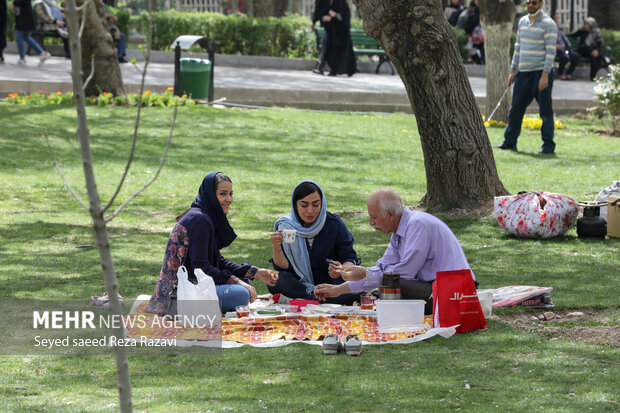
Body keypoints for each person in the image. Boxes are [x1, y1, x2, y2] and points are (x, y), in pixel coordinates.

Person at [314, 189, 476, 315]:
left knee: (391, 284)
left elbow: (403, 274)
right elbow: (383, 269)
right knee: (386, 283)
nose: (371, 223)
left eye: (374, 217)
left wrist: (365, 273)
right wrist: (337, 290)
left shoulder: (418, 225)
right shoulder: (399, 232)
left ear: (391, 214)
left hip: (455, 291)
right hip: (435, 288)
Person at [147, 172, 277, 315]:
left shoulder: (202, 216)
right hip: (180, 295)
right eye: (223, 194)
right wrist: (237, 282)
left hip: (193, 285)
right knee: (241, 294)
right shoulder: (199, 220)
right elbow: (201, 269)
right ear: (210, 194)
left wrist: (255, 272)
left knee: (244, 282)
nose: (229, 199)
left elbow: (218, 260)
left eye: (230, 194)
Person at [268, 180, 360, 305]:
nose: (310, 211)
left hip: (331, 284)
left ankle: (306, 300)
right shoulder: (286, 226)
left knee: (356, 286)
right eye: (304, 205)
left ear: (322, 204)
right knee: (274, 280)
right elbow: (284, 268)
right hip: (299, 284)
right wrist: (276, 248)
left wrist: (342, 268)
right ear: (295, 205)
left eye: (316, 205)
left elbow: (349, 257)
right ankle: (318, 298)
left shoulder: (334, 224)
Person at [495, 0, 557, 155]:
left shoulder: (549, 24)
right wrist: (512, 71)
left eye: (534, 2)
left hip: (540, 74)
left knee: (545, 112)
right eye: (528, 2)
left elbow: (551, 52)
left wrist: (545, 76)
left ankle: (548, 146)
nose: (530, 5)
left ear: (541, 3)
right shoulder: (522, 21)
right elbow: (518, 47)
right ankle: (509, 142)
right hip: (523, 73)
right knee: (515, 110)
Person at [321, 0, 357, 77]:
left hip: (342, 34)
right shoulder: (328, 3)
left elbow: (345, 16)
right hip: (332, 34)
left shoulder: (342, 3)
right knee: (332, 52)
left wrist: (336, 15)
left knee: (345, 53)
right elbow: (322, 14)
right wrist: (325, 18)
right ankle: (333, 70)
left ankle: (349, 71)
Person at [12, 0, 51, 66]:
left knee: (18, 36)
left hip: (24, 19)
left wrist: (15, 3)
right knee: (26, 37)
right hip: (23, 18)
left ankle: (22, 59)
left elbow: (20, 2)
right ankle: (42, 53)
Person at [570, 17, 608, 81]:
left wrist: (596, 51)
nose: (585, 25)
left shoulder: (597, 31)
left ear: (591, 25)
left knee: (594, 58)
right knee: (590, 51)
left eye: (587, 24)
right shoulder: (583, 30)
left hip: (593, 51)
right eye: (585, 24)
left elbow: (599, 43)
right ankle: (603, 62)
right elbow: (574, 35)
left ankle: (592, 77)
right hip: (583, 50)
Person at [555, 14, 580, 80]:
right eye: (556, 21)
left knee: (576, 56)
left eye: (558, 21)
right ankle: (560, 73)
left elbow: (567, 42)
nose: (558, 23)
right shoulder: (550, 32)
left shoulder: (561, 32)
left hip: (566, 49)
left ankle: (568, 73)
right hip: (558, 50)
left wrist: (568, 47)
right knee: (565, 57)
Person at [311, 0, 329, 75]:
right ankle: (320, 66)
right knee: (327, 45)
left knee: (326, 44)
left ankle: (320, 66)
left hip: (330, 22)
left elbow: (318, 8)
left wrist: (314, 22)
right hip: (332, 21)